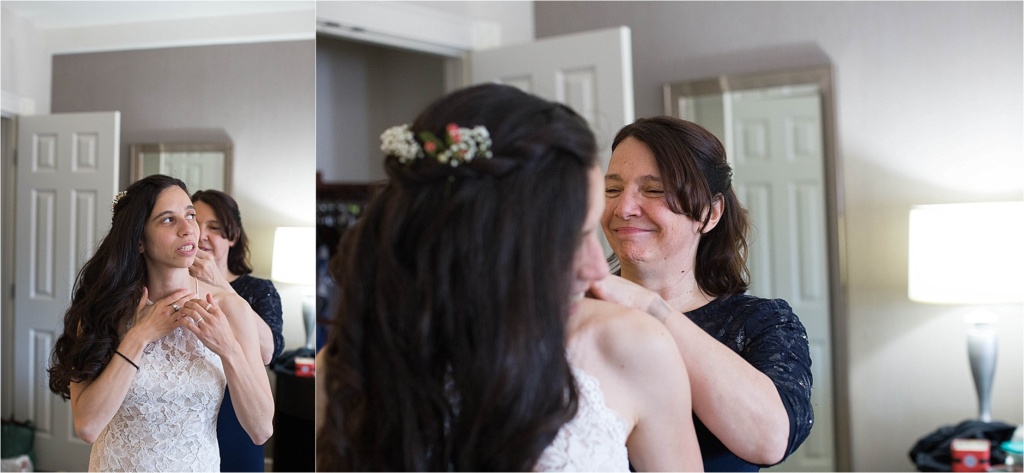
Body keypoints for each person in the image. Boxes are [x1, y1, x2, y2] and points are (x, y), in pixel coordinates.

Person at [315, 83, 703, 471]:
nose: (597, 269)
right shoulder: (348, 368)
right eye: (569, 239)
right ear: (484, 240)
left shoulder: (633, 347)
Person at [591, 116, 814, 471]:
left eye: (653, 190)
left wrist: (650, 307)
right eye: (613, 189)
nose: (623, 209)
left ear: (710, 213)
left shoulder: (761, 323)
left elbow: (771, 440)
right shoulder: (574, 314)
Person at [48, 174, 274, 472]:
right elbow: (88, 426)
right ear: (139, 240)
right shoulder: (101, 309)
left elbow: (261, 430)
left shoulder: (231, 309)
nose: (188, 230)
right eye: (168, 220)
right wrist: (138, 337)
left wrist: (228, 349)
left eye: (190, 215)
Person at [191, 189, 284, 472]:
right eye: (195, 224)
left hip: (237, 408)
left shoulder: (257, 290)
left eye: (215, 228)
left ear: (233, 237)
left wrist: (220, 284)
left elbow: (268, 351)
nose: (202, 235)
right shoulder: (173, 284)